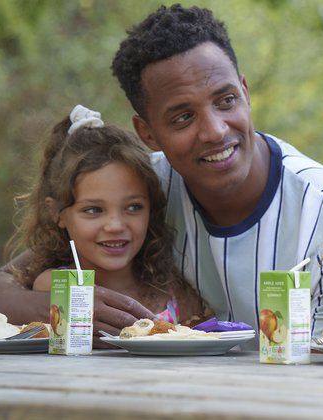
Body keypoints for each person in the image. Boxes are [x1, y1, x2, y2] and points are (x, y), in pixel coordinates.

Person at [0, 4, 323, 338]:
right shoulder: (139, 191)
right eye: (183, 117)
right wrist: (64, 305)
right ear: (147, 133)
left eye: (225, 100)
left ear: (245, 91)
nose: (214, 131)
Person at [14, 105, 205, 326]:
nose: (115, 225)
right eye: (93, 210)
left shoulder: (175, 294)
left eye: (133, 207)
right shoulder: (54, 286)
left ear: (151, 208)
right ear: (57, 213)